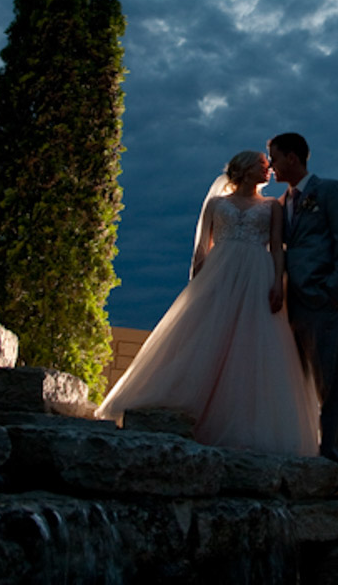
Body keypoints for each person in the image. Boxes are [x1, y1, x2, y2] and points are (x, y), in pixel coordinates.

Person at [96, 150, 318, 456]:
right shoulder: (216, 204)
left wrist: (277, 282)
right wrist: (196, 286)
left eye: (268, 166)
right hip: (219, 273)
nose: (267, 170)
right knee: (205, 338)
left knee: (251, 345)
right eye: (261, 165)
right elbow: (202, 248)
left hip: (257, 274)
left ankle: (243, 423)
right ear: (243, 169)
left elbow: (278, 248)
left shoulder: (272, 207)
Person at [268, 132, 338, 473]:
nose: (272, 166)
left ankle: (332, 463)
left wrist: (333, 291)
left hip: (323, 303)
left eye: (275, 158)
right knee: (295, 383)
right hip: (290, 307)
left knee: (330, 386)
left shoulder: (330, 190)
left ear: (293, 158)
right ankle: (302, 450)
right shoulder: (280, 204)